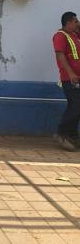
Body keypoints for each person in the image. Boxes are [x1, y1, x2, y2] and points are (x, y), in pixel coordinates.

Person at [53, 11, 80, 151]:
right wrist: (70, 73)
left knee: (76, 107)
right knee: (76, 106)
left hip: (77, 78)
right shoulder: (60, 36)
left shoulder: (74, 36)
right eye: (76, 21)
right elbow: (60, 55)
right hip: (70, 79)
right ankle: (61, 134)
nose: (78, 23)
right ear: (68, 22)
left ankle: (72, 135)